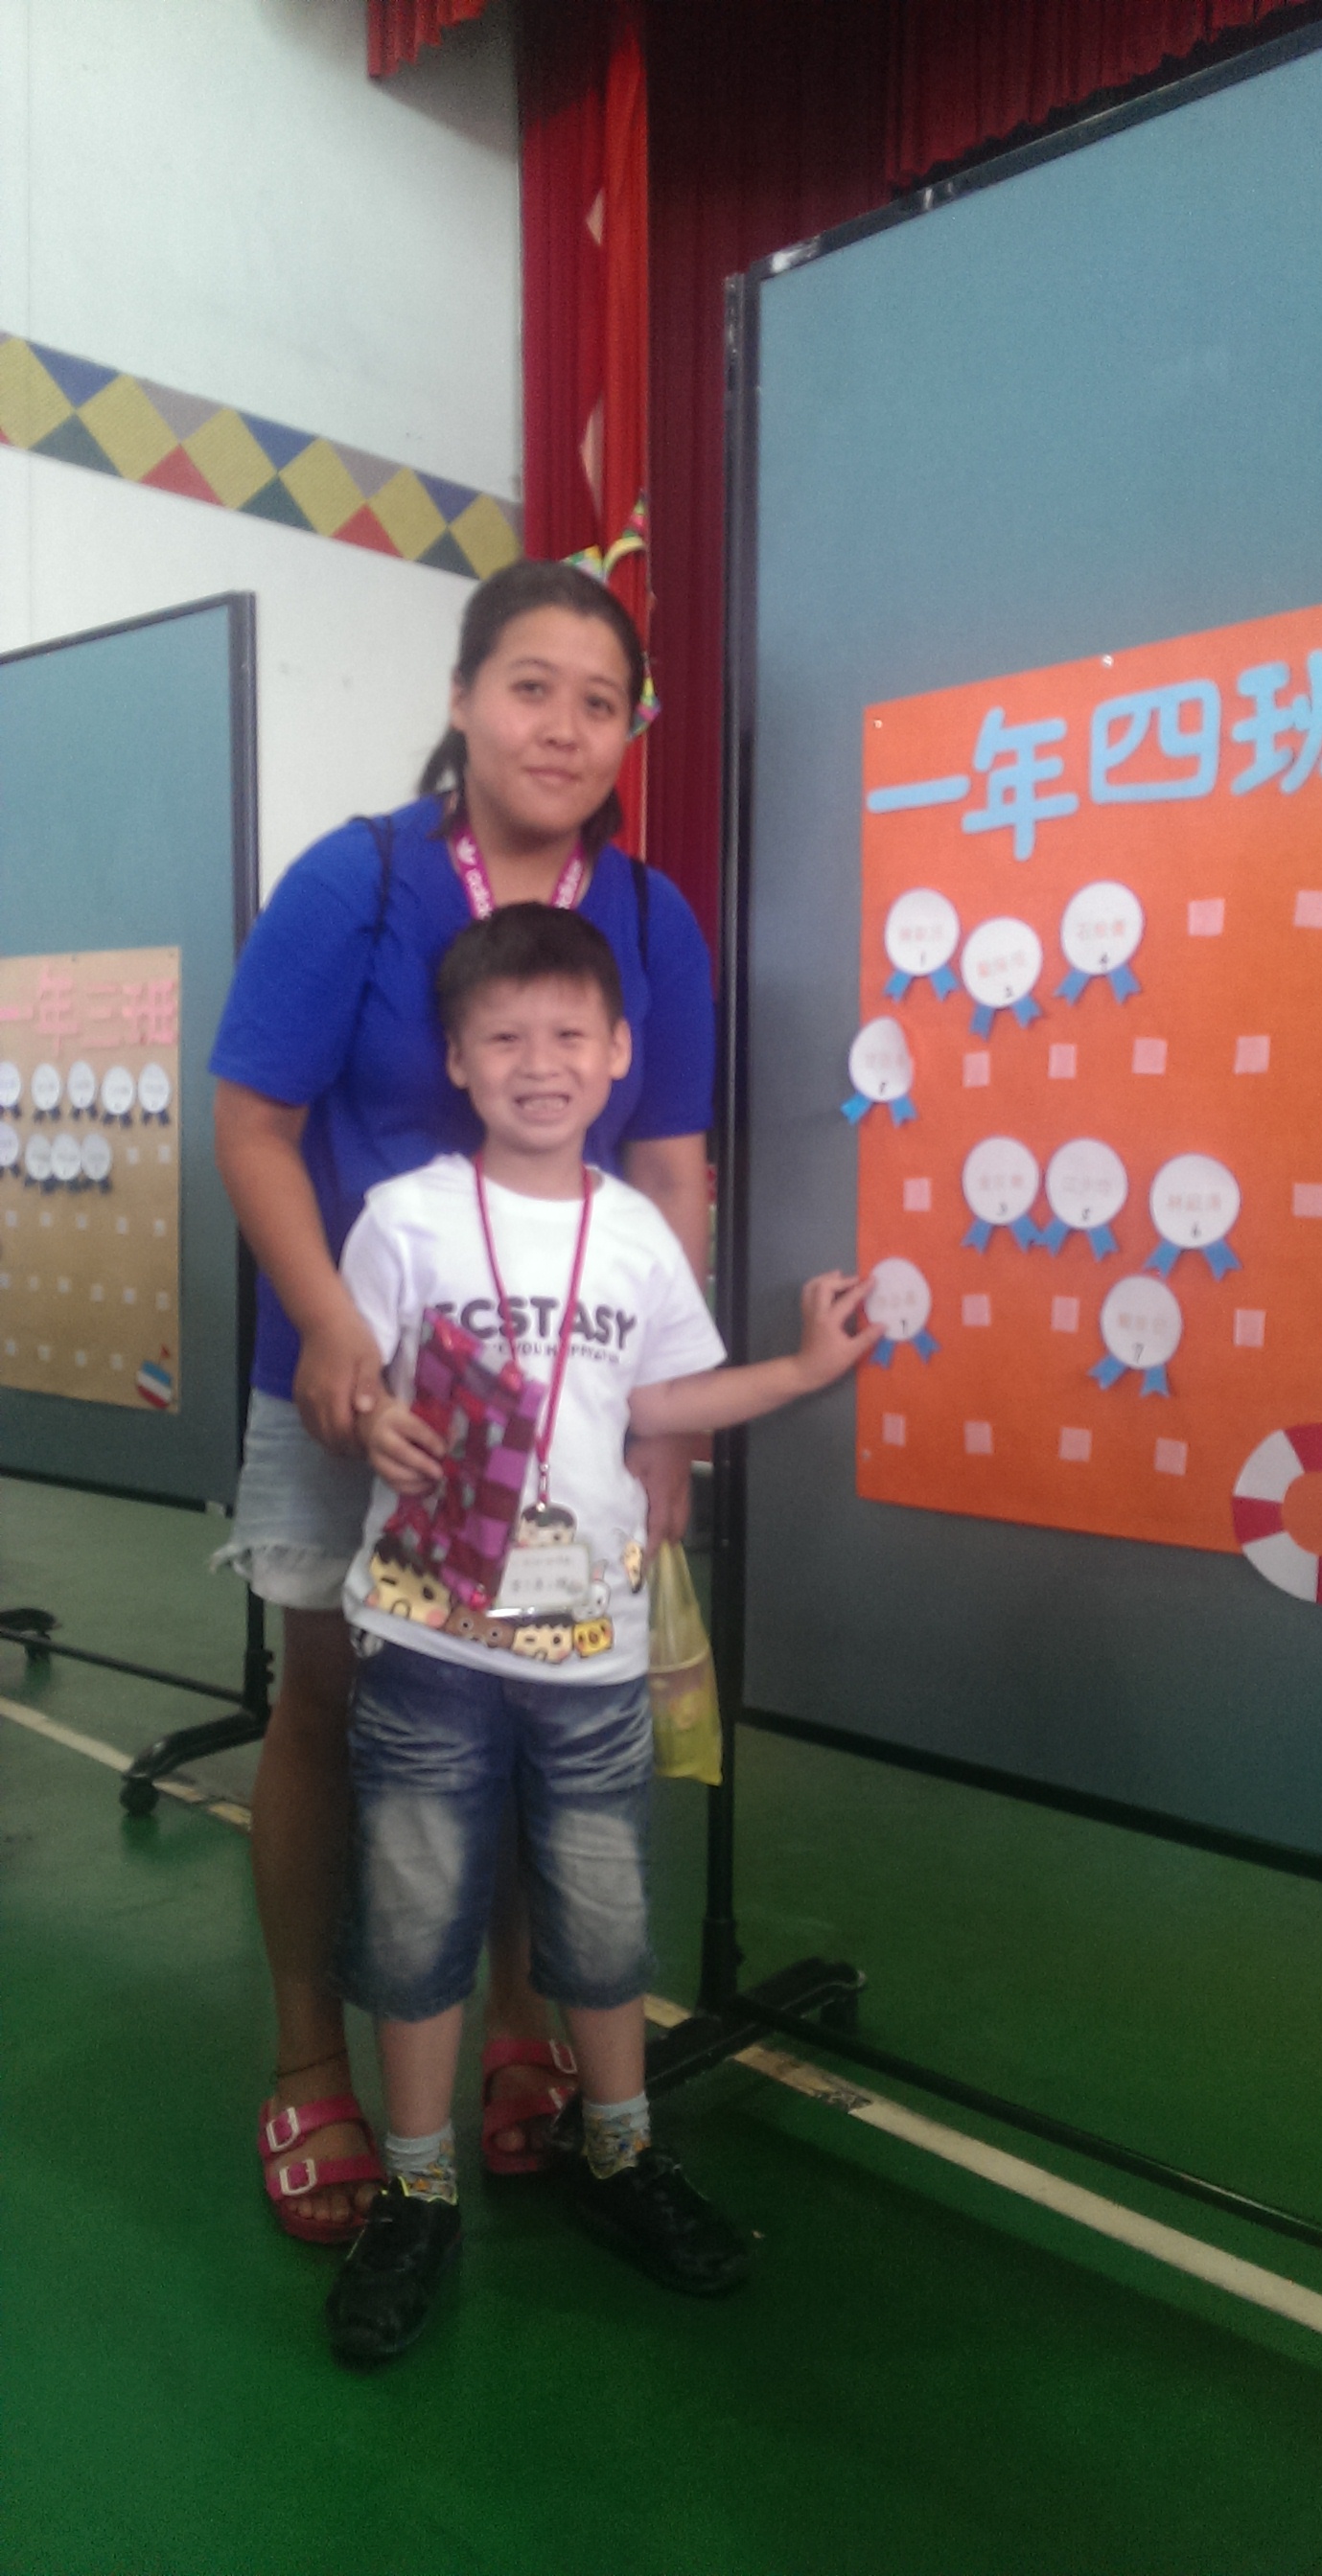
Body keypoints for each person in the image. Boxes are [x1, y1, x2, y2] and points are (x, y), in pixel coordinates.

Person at [211, 561, 715, 2240]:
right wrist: (330, 1327)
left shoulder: (648, 919)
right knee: (325, 1699)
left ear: (629, 731)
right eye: (530, 687)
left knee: (527, 1698)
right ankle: (310, 2061)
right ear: (462, 698)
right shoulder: (353, 884)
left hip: (560, 1411)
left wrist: (665, 1413)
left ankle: (515, 2029)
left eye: (601, 701)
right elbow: (255, 1124)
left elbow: (671, 1168)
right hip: (343, 1381)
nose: (564, 727)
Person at [323, 904, 873, 2363]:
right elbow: (347, 1386)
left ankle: (620, 2154)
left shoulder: (633, 1232)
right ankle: (418, 2191)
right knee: (415, 1923)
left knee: (606, 1919)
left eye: (569, 1033)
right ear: (456, 1059)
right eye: (503, 1036)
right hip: (429, 1646)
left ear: (620, 1052)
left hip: (591, 1655)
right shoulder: (406, 1218)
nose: (539, 1061)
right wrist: (370, 1420)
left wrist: (801, 1370)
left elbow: (662, 1402)